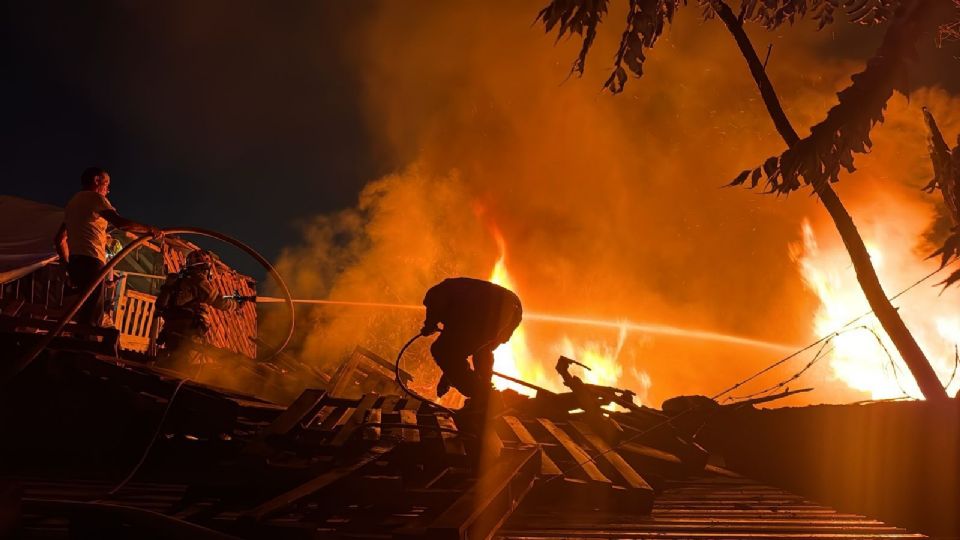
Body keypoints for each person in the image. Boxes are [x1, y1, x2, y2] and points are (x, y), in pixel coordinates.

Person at [54, 167, 161, 326]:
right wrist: (150, 229)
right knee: (92, 319)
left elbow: (59, 239)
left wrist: (68, 265)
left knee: (83, 312)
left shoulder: (72, 203)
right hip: (91, 262)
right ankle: (84, 349)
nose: (108, 190)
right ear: (97, 180)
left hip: (77, 263)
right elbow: (120, 224)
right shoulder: (96, 198)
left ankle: (77, 345)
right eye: (106, 183)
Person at [420, 277, 522, 407]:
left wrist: (429, 324)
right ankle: (486, 398)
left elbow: (451, 351)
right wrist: (449, 376)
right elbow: (459, 350)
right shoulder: (457, 305)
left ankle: (483, 395)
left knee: (440, 350)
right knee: (483, 350)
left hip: (490, 308)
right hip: (513, 308)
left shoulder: (437, 296)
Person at [155, 249, 236, 369]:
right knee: (185, 367)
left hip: (170, 329)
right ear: (205, 267)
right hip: (189, 329)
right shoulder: (198, 279)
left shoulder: (179, 279)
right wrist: (235, 305)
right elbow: (219, 301)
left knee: (173, 361)